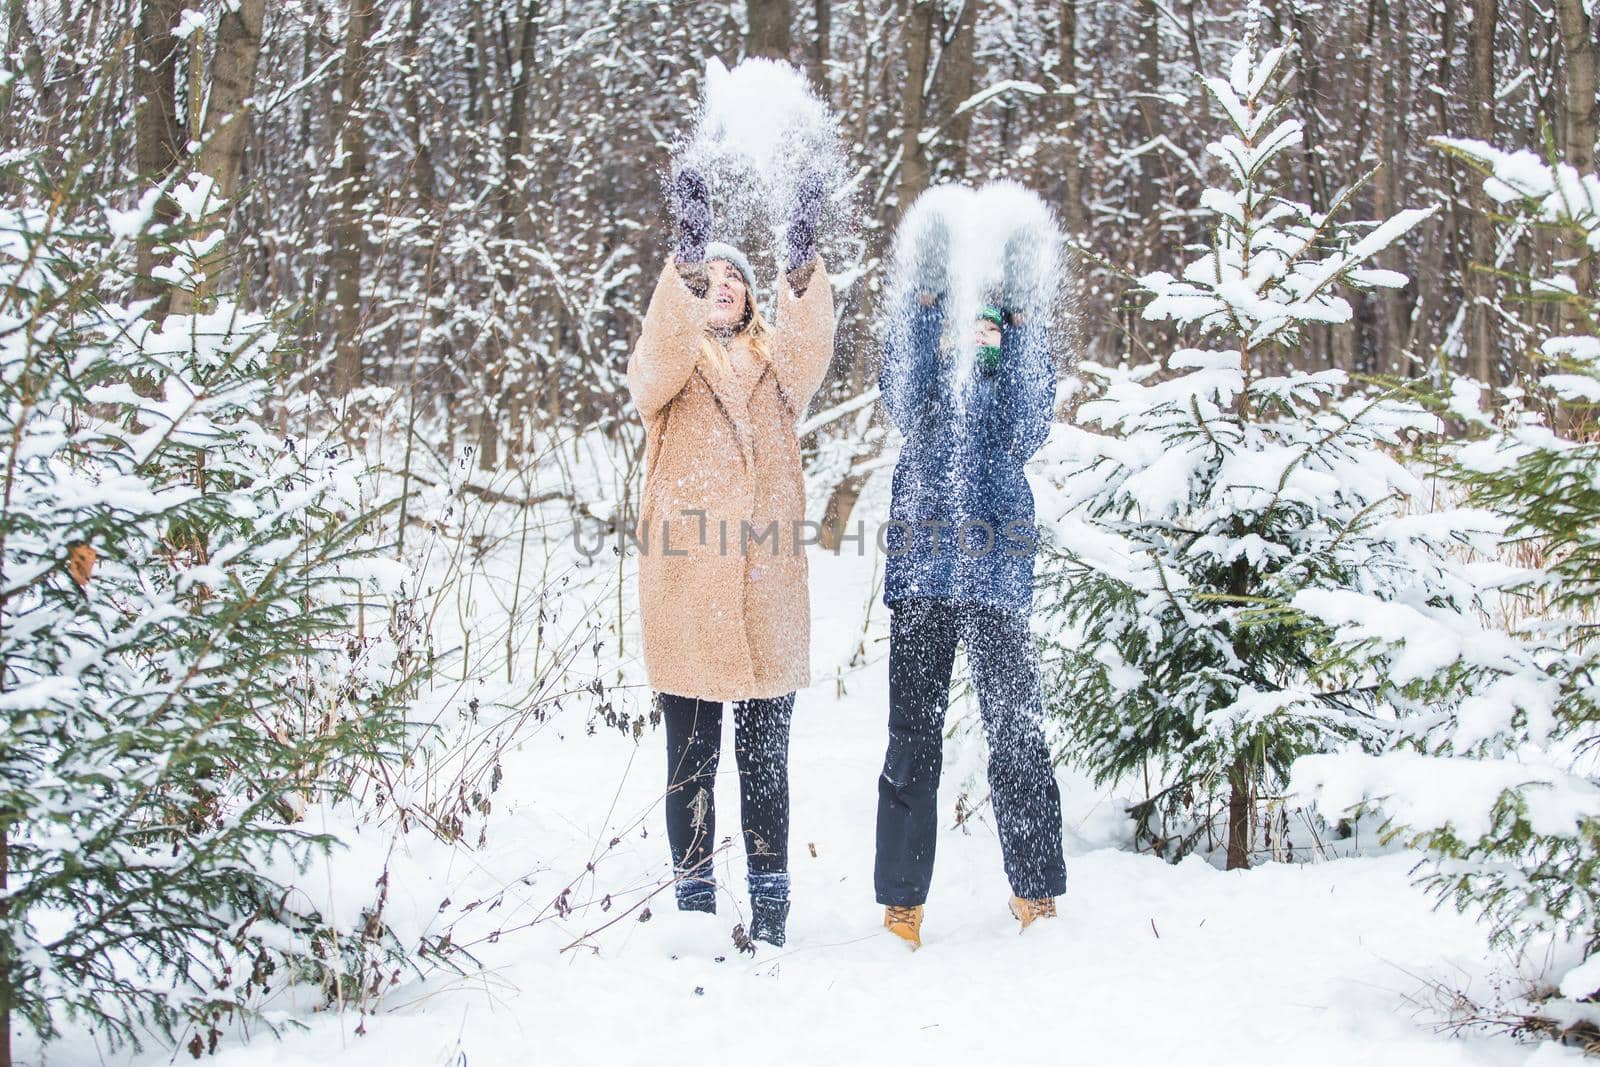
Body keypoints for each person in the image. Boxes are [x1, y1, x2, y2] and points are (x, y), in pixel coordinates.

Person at [625, 166, 835, 947]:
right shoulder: (672, 372)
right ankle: (694, 909)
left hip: (764, 588)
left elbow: (810, 344)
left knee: (766, 764)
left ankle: (772, 908)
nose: (722, 284)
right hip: (687, 587)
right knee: (690, 762)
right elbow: (652, 357)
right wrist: (678, 268)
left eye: (733, 279)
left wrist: (802, 267)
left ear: (750, 298)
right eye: (706, 277)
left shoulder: (779, 368)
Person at [873, 202, 1067, 950]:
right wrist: (924, 307)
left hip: (997, 565)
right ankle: (901, 906)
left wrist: (1017, 323)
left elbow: (1027, 426)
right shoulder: (929, 328)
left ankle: (1036, 892)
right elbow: (904, 402)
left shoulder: (1015, 334)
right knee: (911, 736)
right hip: (923, 562)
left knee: (1016, 732)